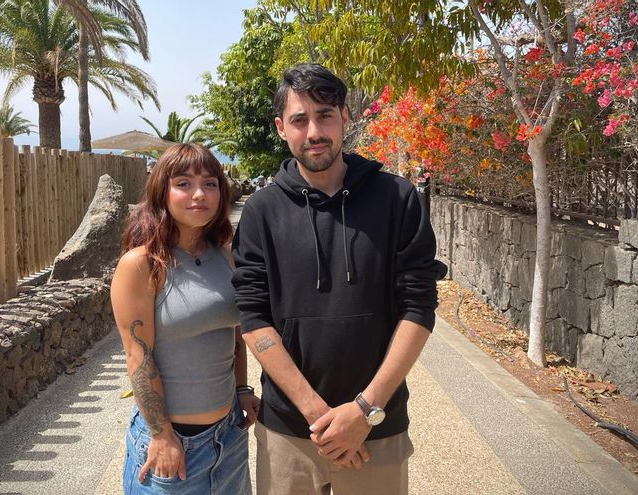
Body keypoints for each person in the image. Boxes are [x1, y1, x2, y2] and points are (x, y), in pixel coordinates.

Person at [231, 63, 447, 494]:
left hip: (376, 426)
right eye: (299, 119)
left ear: (345, 117)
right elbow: (253, 318)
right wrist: (318, 414)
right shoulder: (261, 212)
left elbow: (418, 308)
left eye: (325, 115)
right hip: (290, 431)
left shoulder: (397, 198)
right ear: (281, 128)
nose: (314, 131)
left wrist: (363, 410)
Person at [112, 143, 260, 494]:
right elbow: (138, 357)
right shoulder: (142, 265)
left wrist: (242, 389)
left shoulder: (226, 255)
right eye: (184, 183)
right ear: (162, 191)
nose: (199, 194)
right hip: (172, 446)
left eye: (210, 184)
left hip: (228, 439)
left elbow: (234, 334)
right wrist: (161, 435)